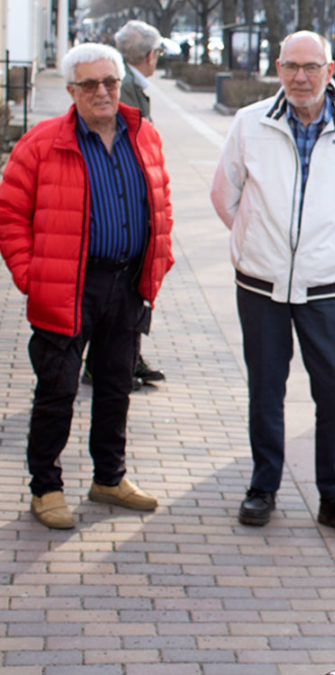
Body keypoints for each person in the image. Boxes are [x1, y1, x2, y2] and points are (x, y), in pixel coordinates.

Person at [210, 31, 335, 541]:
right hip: (260, 280)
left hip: (325, 283)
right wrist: (256, 242)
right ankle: (263, 486)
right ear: (279, 68)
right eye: (291, 66)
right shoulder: (250, 124)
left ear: (331, 70)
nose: (300, 77)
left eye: (311, 67)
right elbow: (226, 195)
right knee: (266, 387)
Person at [0, 43, 174, 529]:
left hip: (127, 282)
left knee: (117, 385)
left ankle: (109, 478)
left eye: (110, 83)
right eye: (91, 84)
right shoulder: (41, 142)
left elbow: (161, 202)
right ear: (72, 89)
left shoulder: (145, 137)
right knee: (56, 390)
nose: (103, 93)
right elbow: (9, 214)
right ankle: (46, 487)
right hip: (68, 284)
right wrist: (31, 277)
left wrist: (160, 259)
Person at [102, 19, 167, 388]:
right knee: (126, 288)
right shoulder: (125, 86)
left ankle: (127, 356)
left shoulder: (131, 83)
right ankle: (116, 361)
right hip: (126, 204)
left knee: (133, 288)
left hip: (134, 201)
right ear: (148, 55)